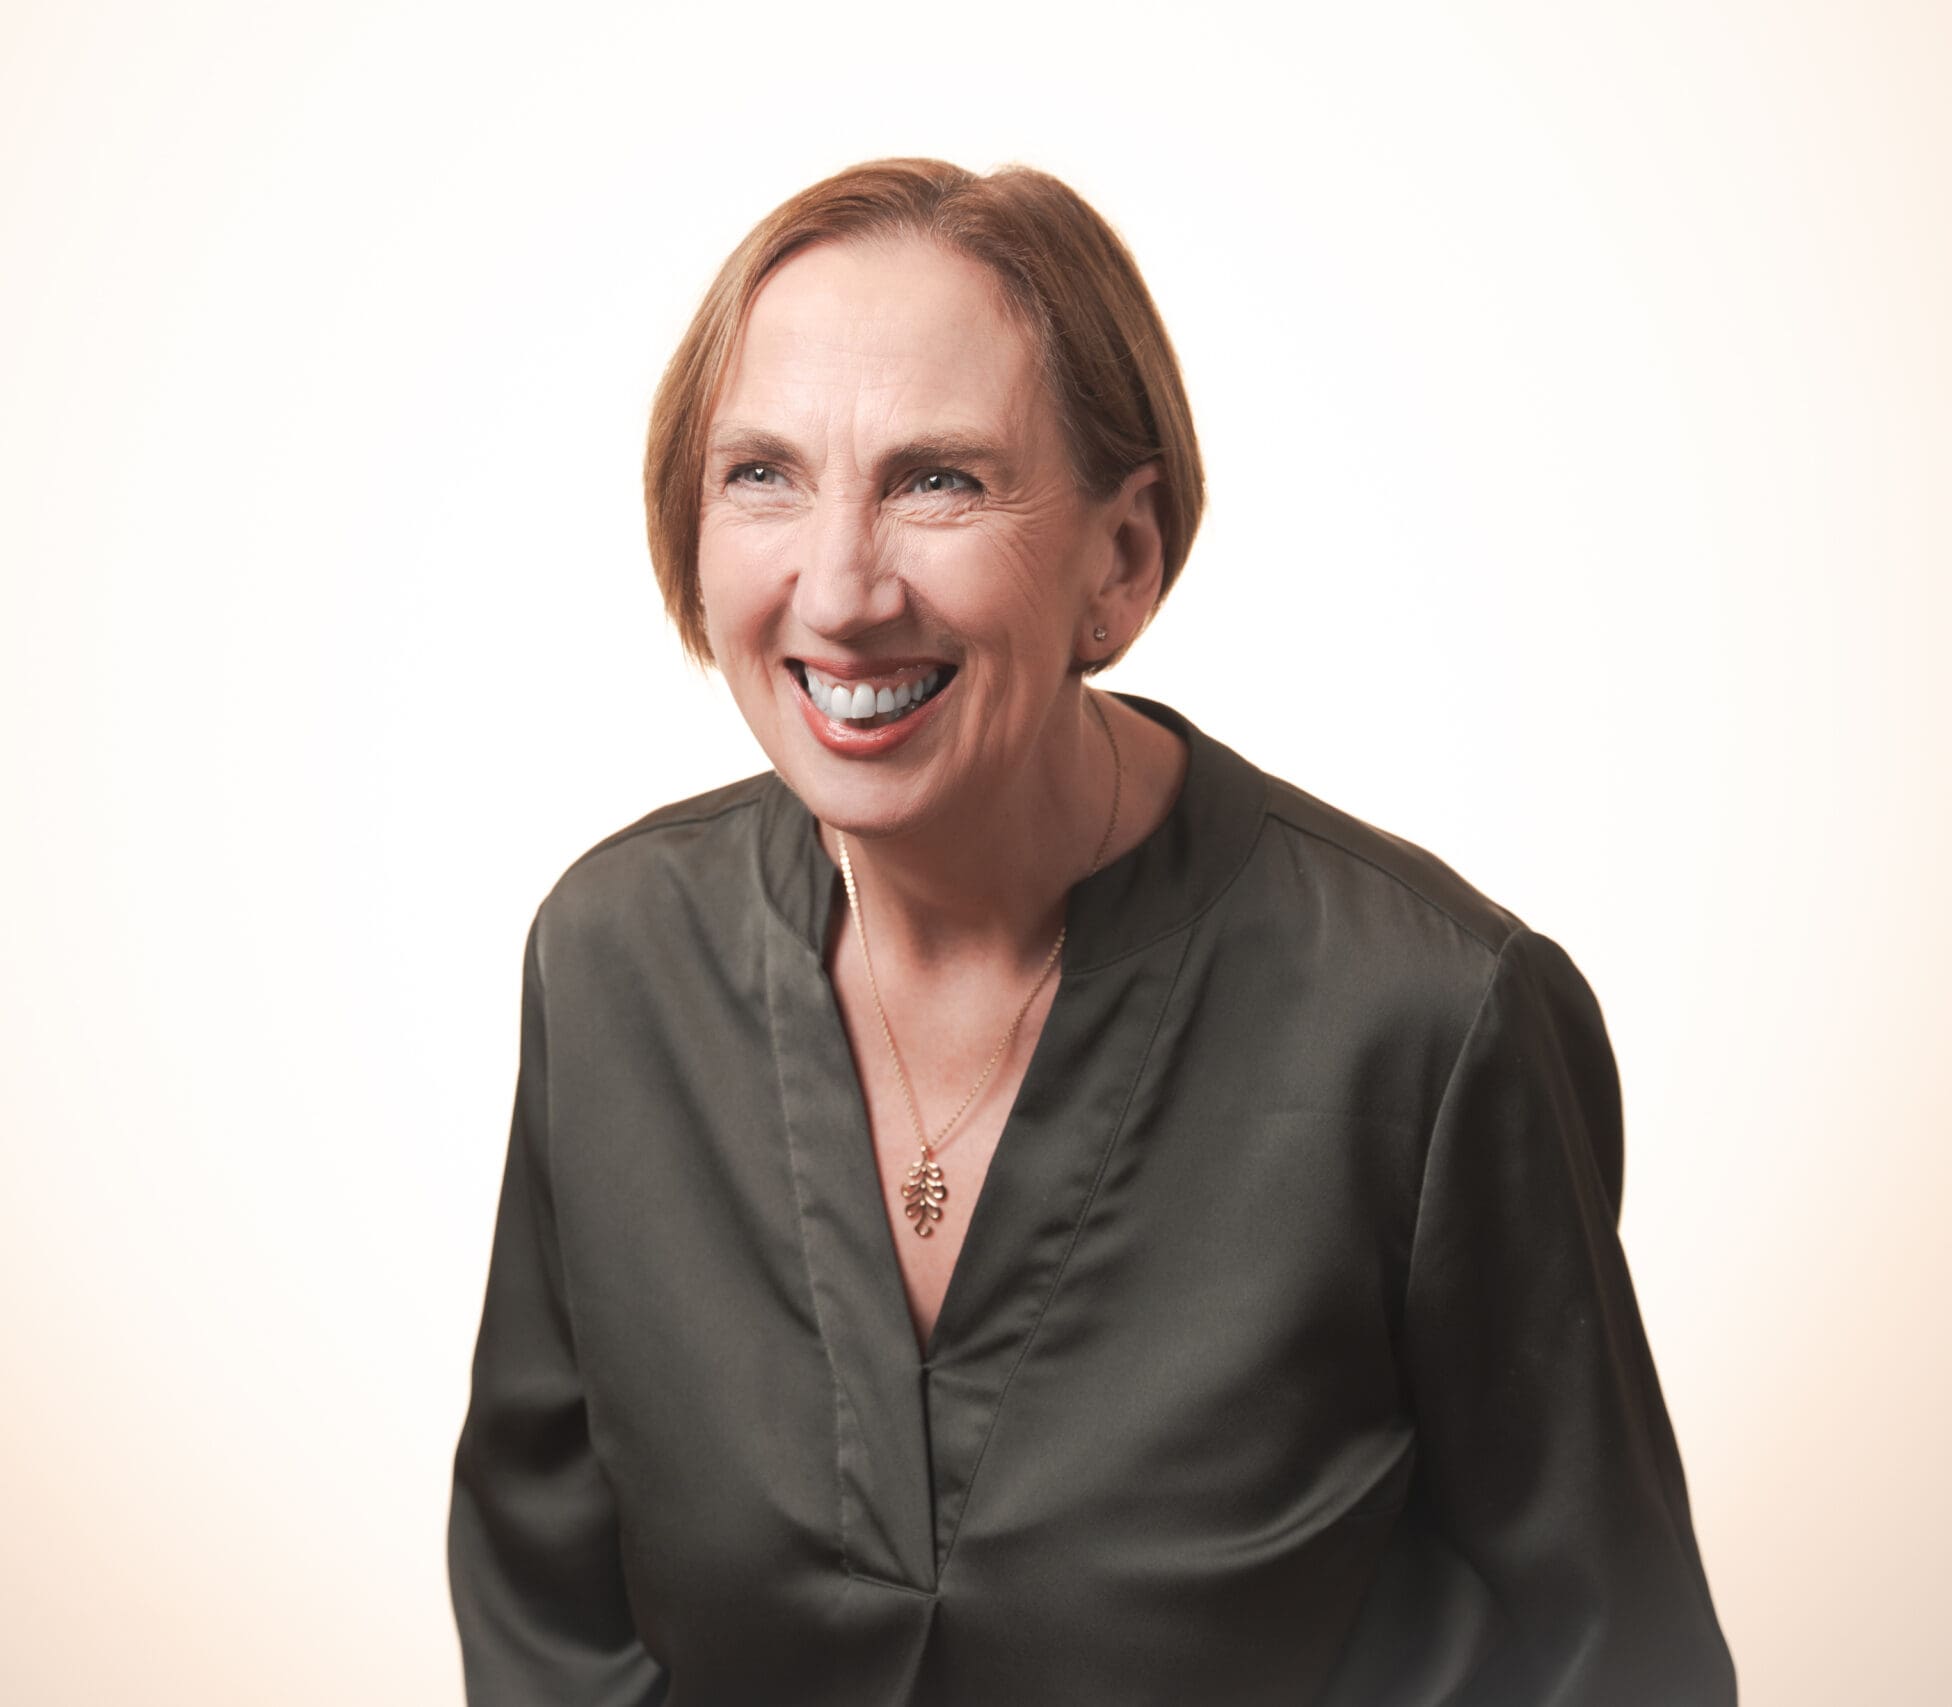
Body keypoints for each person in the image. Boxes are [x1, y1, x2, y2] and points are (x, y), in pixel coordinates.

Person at [445, 157, 1736, 1706]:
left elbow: (1618, 1669)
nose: (840, 588)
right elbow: (552, 1630)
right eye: (763, 474)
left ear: (1120, 562)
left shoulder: (1430, 1024)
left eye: (939, 480)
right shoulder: (611, 962)